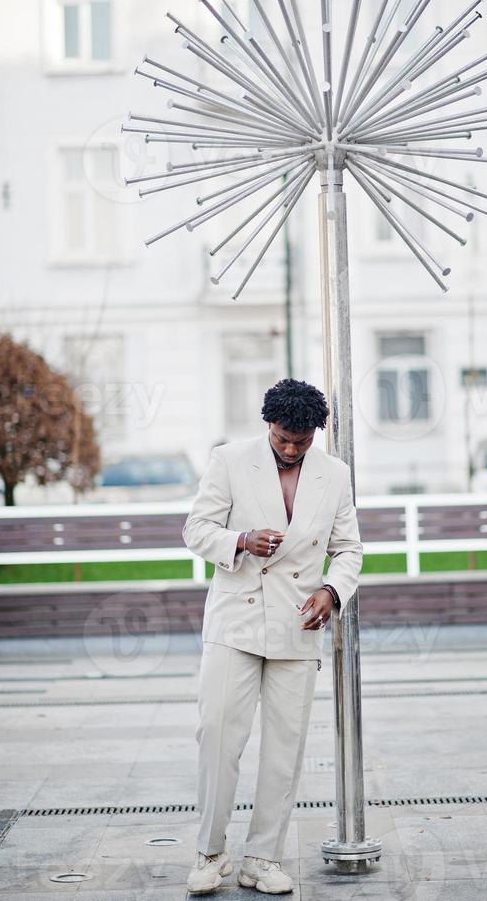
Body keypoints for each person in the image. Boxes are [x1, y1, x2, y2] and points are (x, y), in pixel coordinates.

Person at [183, 378, 362, 895]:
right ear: (269, 424)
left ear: (315, 434)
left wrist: (332, 590)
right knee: (217, 735)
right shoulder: (231, 460)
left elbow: (349, 548)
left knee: (285, 747)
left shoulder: (334, 474)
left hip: (297, 622)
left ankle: (263, 858)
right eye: (283, 438)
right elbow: (196, 529)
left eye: (301, 441)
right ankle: (209, 852)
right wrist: (240, 539)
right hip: (234, 622)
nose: (290, 449)